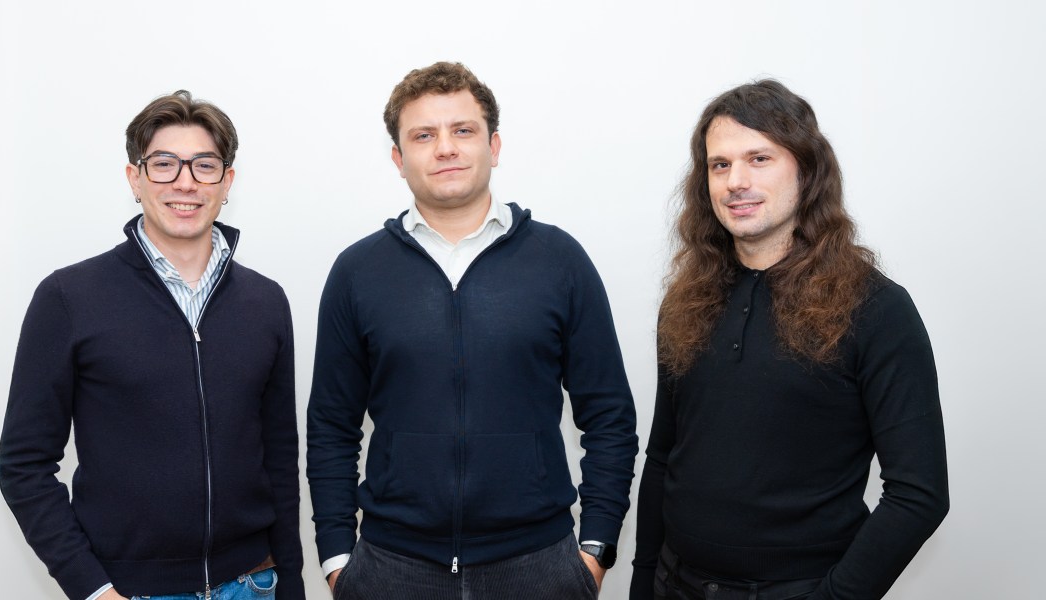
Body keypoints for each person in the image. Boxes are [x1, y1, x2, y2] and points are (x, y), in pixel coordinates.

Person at [306, 61, 639, 599]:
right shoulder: (358, 271)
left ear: (494, 145)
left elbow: (609, 415)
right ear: (398, 159)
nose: (446, 148)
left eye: (463, 130)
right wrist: (338, 558)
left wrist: (595, 550)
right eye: (424, 135)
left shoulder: (559, 261)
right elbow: (330, 426)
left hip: (539, 566)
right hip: (392, 568)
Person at [630, 80, 949, 599]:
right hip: (675, 582)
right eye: (719, 164)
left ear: (806, 169)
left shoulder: (876, 308)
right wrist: (643, 583)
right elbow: (663, 457)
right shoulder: (686, 301)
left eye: (759, 159)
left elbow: (919, 495)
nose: (736, 181)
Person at [0, 90, 304, 600]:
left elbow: (280, 460)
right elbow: (23, 465)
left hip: (253, 583)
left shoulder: (265, 301)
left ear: (227, 182)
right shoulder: (69, 298)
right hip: (131, 590)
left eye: (204, 165)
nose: (185, 182)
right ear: (134, 179)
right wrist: (93, 590)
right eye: (163, 164)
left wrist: (290, 585)